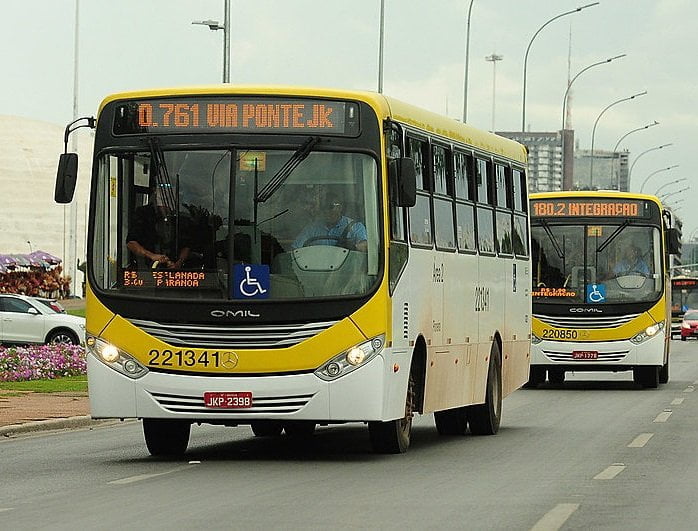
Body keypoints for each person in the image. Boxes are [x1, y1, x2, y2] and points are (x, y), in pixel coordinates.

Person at [126, 183, 192, 269]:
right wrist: (152, 256)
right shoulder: (143, 213)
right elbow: (131, 243)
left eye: (170, 187)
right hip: (145, 271)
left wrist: (178, 263)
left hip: (175, 274)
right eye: (161, 186)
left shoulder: (181, 218)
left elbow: (186, 245)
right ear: (155, 191)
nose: (166, 191)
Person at [292, 193, 368, 251]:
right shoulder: (312, 228)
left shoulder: (355, 227)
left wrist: (354, 246)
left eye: (330, 207)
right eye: (324, 208)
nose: (327, 211)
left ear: (340, 207)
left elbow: (364, 245)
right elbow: (296, 248)